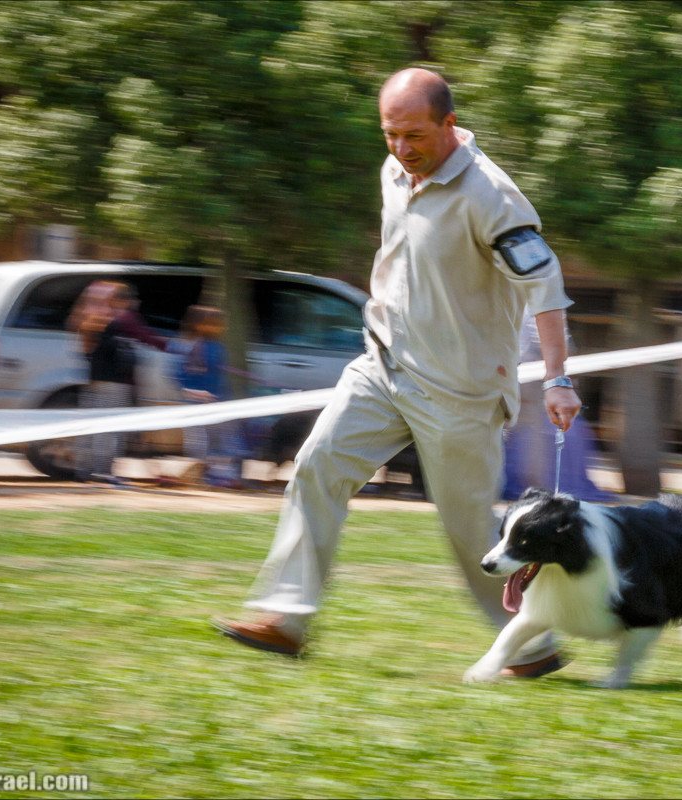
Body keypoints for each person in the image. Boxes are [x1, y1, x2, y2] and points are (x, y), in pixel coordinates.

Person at [213, 67, 582, 677]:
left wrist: (557, 378)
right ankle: (285, 618)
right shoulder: (395, 171)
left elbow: (546, 286)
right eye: (390, 134)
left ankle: (532, 644)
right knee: (316, 466)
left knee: (471, 532)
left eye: (415, 135)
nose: (402, 149)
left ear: (449, 124)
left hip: (459, 392)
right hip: (381, 365)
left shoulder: (492, 196)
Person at [502, 311, 612, 502]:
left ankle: (536, 495)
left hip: (532, 387)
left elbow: (557, 342)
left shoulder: (536, 302)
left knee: (531, 443)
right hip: (520, 384)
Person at [70, 280, 167, 486]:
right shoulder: (121, 320)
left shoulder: (90, 319)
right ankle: (105, 472)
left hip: (94, 380)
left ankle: (84, 470)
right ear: (119, 300)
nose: (134, 303)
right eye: (130, 299)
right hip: (115, 382)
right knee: (111, 429)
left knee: (91, 427)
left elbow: (87, 352)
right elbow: (147, 338)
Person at [170, 305, 239, 488]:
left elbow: (220, 377)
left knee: (223, 440)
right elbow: (177, 375)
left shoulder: (219, 347)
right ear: (198, 324)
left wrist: (223, 397)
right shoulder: (184, 346)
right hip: (194, 404)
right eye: (213, 323)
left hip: (217, 402)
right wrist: (192, 392)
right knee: (199, 441)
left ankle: (219, 476)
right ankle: (200, 475)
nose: (218, 328)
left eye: (220, 324)